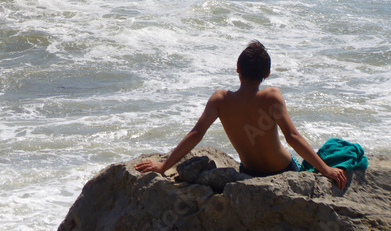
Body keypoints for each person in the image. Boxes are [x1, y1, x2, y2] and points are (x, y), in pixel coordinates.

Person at [136, 40, 348, 189]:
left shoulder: (220, 99)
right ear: (267, 73)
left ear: (237, 68)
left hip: (249, 174)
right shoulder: (272, 96)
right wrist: (326, 170)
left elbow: (196, 133)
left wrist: (164, 166)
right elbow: (292, 137)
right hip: (284, 170)